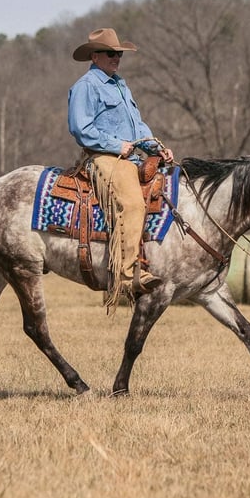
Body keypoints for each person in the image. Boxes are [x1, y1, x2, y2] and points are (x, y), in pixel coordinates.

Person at [68, 28, 174, 307]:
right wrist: (117, 146)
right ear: (95, 56)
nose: (117, 58)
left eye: (119, 54)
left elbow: (137, 126)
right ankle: (127, 277)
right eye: (111, 53)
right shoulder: (86, 86)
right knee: (133, 204)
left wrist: (155, 147)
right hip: (103, 158)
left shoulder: (119, 84)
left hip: (130, 156)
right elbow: (81, 128)